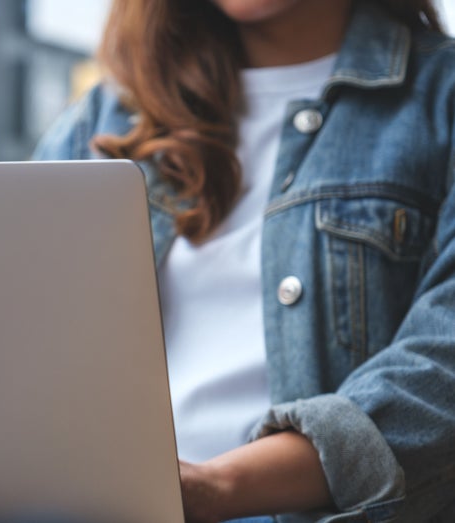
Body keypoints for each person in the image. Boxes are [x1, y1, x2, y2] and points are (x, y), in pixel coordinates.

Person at [33, 0, 455, 521]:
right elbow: (19, 327)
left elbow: (444, 360)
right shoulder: (108, 116)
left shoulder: (443, 97)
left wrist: (216, 486)